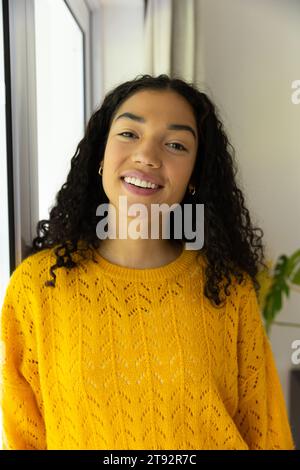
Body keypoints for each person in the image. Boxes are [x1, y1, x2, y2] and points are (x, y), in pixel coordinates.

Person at [0, 74, 295, 450]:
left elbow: (267, 435)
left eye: (175, 144)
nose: (148, 156)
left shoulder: (227, 289)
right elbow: (24, 437)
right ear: (100, 155)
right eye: (129, 134)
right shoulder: (37, 287)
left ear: (193, 177)